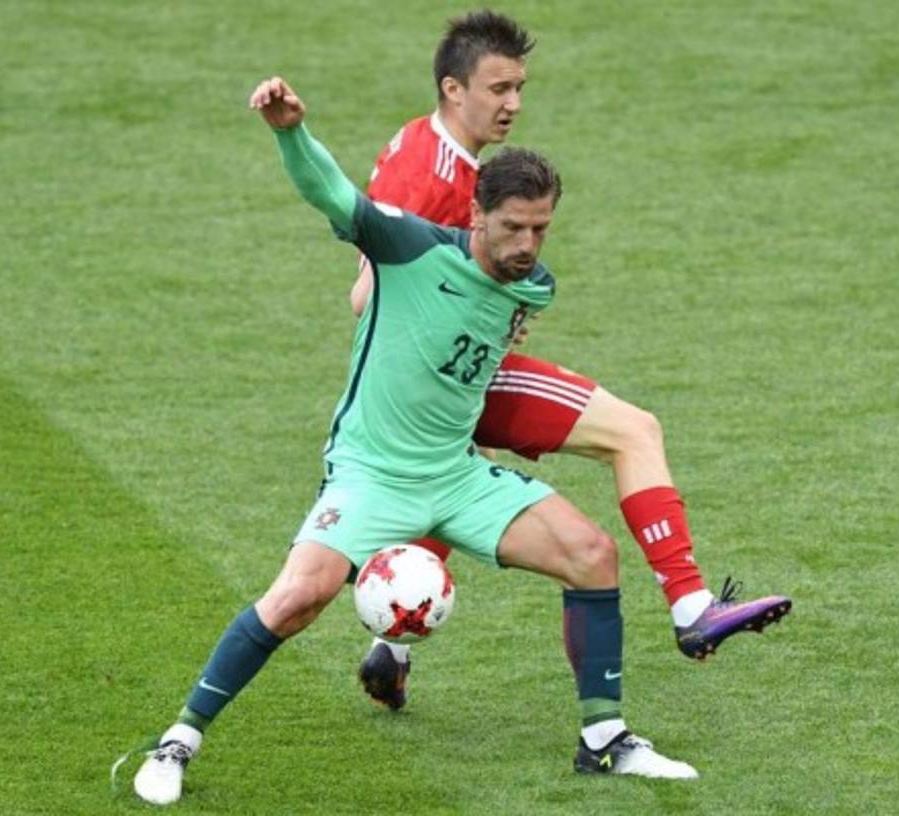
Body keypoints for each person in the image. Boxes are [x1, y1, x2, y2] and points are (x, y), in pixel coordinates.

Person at [127, 75, 700, 806]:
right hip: (371, 475)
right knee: (298, 597)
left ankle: (606, 741)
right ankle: (179, 740)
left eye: (541, 228)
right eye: (513, 227)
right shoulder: (407, 246)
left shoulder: (534, 286)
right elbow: (330, 193)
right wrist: (288, 131)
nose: (528, 245)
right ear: (475, 213)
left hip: (455, 476)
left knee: (591, 555)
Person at [354, 10, 791, 711]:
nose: (513, 104)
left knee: (443, 494)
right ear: (453, 89)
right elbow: (366, 295)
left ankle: (392, 648)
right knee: (633, 431)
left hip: (443, 379)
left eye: (520, 87)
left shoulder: (431, 144)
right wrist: (478, 319)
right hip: (442, 382)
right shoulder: (432, 175)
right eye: (498, 88)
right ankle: (689, 608)